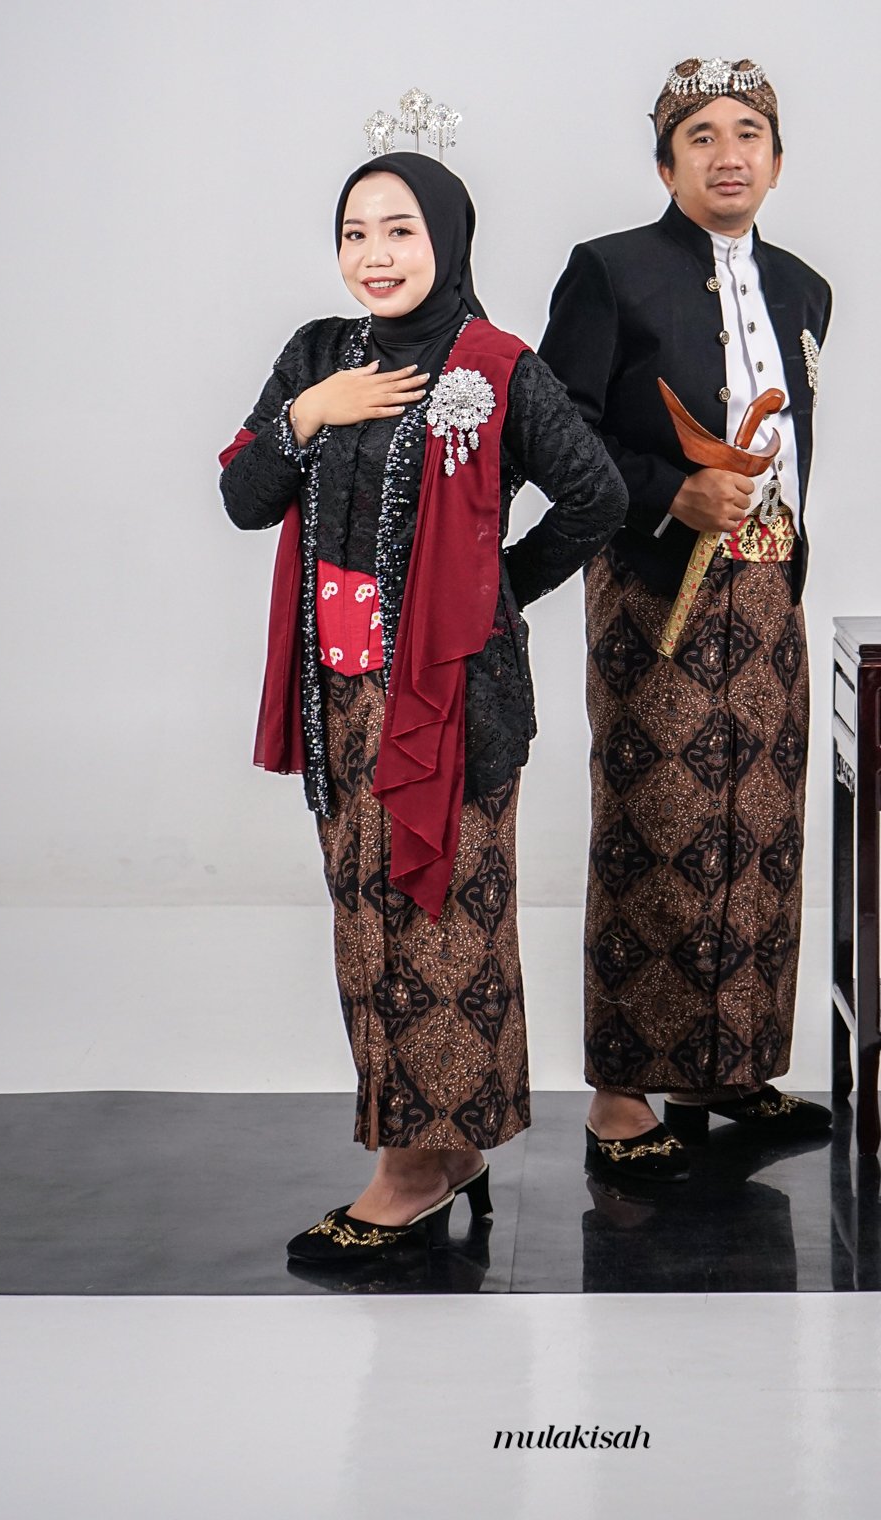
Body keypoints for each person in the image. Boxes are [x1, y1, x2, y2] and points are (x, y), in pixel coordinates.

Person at [221, 121, 626, 1265]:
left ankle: (408, 1170)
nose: (375, 253)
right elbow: (245, 499)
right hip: (335, 696)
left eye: (399, 229)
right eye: (355, 232)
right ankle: (443, 1151)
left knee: (444, 922)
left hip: (451, 698)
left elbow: (596, 497)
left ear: (447, 239)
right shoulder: (317, 354)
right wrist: (312, 412)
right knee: (365, 918)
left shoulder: (495, 366)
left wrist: (492, 593)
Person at [539, 57, 833, 1181]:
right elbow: (553, 430)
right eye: (700, 135)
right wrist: (671, 490)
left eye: (748, 132)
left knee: (758, 827)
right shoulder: (609, 271)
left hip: (768, 590)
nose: (727, 154)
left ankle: (725, 1065)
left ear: (777, 159)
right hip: (652, 587)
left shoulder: (804, 288)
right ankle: (620, 1094)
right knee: (655, 822)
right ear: (666, 166)